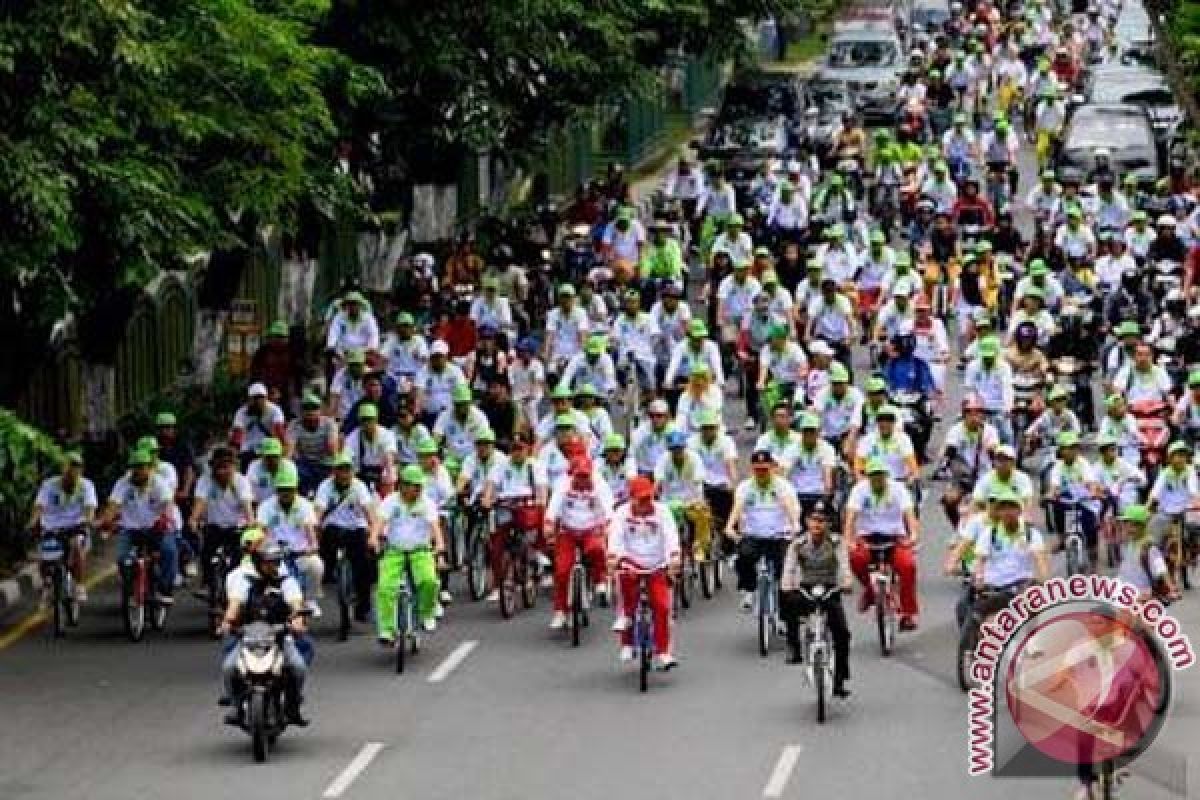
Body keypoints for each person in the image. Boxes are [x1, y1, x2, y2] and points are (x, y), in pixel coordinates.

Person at [217, 541, 311, 726]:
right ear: (258, 563)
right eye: (268, 562)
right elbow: (234, 606)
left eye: (276, 562)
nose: (273, 566)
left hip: (279, 639)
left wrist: (297, 623)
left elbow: (296, 605)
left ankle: (292, 706)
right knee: (229, 667)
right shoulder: (245, 583)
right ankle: (236, 706)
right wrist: (226, 623)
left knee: (298, 667)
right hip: (249, 639)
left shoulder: (287, 582)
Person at [607, 476, 681, 669]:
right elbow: (615, 536)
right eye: (641, 499)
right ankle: (627, 641)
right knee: (626, 591)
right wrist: (613, 556)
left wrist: (674, 557)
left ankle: (663, 652)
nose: (645, 503)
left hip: (656, 563)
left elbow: (671, 535)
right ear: (631, 498)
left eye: (648, 498)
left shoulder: (662, 511)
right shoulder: (621, 513)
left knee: (662, 607)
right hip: (631, 561)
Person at [780, 501, 852, 695]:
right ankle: (793, 647)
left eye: (822, 520)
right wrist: (787, 585)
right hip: (806, 589)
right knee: (789, 606)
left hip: (830, 589)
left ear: (829, 523)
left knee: (842, 633)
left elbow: (844, 566)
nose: (817, 524)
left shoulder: (837, 543)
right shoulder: (798, 544)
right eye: (813, 520)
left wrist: (846, 582)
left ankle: (839, 679)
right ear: (806, 522)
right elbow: (789, 568)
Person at [371, 465, 446, 643]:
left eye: (420, 486)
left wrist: (440, 544)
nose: (418, 489)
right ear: (403, 485)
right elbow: (380, 522)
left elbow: (435, 527)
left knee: (429, 581)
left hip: (420, 551)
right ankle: (387, 630)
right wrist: (373, 537)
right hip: (394, 552)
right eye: (414, 486)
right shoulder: (391, 501)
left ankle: (426, 613)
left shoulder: (426, 503)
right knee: (385, 588)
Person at [844, 457, 921, 629]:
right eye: (873, 475)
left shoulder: (898, 489)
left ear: (886, 475)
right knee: (856, 559)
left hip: (894, 537)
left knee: (908, 566)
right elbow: (851, 516)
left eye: (880, 475)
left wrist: (913, 534)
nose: (877, 479)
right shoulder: (859, 490)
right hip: (867, 537)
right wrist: (848, 539)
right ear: (868, 476)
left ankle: (908, 613)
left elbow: (909, 514)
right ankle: (870, 591)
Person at [726, 450, 801, 611]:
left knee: (785, 570)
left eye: (765, 469)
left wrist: (795, 525)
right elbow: (738, 507)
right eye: (757, 469)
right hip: (754, 535)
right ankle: (749, 589)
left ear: (772, 468)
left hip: (779, 535)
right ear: (752, 469)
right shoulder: (745, 487)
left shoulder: (782, 486)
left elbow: (788, 505)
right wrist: (729, 526)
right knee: (744, 556)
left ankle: (784, 614)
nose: (761, 473)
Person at [544, 454, 612, 629]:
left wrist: (608, 525)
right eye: (579, 476)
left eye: (585, 475)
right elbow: (553, 506)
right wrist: (549, 523)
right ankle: (560, 611)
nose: (582, 479)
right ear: (572, 474)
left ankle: (599, 581)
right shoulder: (563, 484)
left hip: (591, 528)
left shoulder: (599, 483)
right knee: (561, 570)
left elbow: (608, 508)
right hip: (568, 530)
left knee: (597, 550)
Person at [103, 449, 176, 605]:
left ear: (149, 468)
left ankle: (165, 589)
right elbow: (113, 504)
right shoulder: (123, 483)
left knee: (169, 551)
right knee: (122, 558)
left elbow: (168, 504)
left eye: (141, 467)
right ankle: (130, 587)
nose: (137, 471)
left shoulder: (158, 482)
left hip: (157, 528)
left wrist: (165, 518)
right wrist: (107, 521)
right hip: (130, 529)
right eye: (134, 467)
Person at [314, 453, 378, 624]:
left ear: (353, 472)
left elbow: (369, 512)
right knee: (325, 551)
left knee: (364, 563)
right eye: (340, 470)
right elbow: (318, 512)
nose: (343, 474)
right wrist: (314, 532)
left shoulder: (360, 487)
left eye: (347, 470)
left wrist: (373, 535)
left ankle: (363, 607)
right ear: (334, 472)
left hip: (356, 528)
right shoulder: (325, 486)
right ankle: (332, 573)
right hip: (333, 529)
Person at [256, 463, 323, 616]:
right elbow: (260, 529)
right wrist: (261, 547)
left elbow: (310, 529)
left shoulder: (305, 505)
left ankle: (311, 599)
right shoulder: (266, 506)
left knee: (317, 565)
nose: (286, 493)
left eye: (289, 489)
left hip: (299, 553)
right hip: (274, 555)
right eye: (282, 490)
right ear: (277, 490)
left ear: (295, 489)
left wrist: (313, 545)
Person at [31, 451, 97, 604]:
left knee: (76, 545)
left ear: (81, 469)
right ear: (63, 468)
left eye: (76, 466)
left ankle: (79, 585)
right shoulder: (49, 485)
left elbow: (90, 507)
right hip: (52, 527)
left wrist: (88, 520)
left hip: (76, 526)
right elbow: (39, 506)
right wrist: (33, 521)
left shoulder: (87, 486)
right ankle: (47, 583)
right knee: (44, 553)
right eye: (70, 466)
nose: (73, 470)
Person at [189, 447, 253, 594]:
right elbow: (200, 502)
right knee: (206, 553)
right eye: (218, 467)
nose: (221, 472)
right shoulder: (205, 481)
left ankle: (237, 588)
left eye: (226, 467)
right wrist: (193, 519)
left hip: (236, 527)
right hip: (214, 526)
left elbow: (247, 505)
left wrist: (251, 522)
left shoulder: (241, 482)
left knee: (238, 558)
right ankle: (206, 583)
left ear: (234, 467)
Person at [1116, 504, 1178, 602]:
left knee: (1136, 616)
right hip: (1124, 592)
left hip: (1142, 594)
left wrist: (1171, 588)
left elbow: (1160, 568)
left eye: (1132, 524)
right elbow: (1124, 568)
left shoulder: (1149, 547)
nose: (1127, 527)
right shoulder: (1128, 544)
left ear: (1142, 526)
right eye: (1125, 523)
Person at [231, 383, 287, 472]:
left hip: (269, 448)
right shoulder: (241, 412)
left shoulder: (275, 410)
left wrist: (283, 453)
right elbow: (237, 437)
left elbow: (280, 433)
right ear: (249, 399)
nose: (258, 401)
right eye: (255, 398)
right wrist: (233, 457)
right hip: (248, 449)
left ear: (266, 398)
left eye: (261, 398)